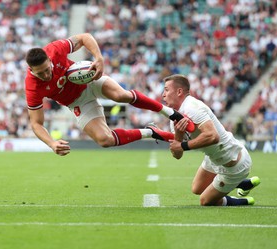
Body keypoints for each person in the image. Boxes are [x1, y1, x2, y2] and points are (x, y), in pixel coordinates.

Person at [24, 33, 194, 156]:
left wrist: (98, 58)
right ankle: (151, 132)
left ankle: (171, 113)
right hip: (77, 102)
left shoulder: (54, 50)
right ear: (31, 70)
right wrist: (52, 143)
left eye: (47, 70)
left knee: (121, 96)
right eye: (40, 74)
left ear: (49, 59)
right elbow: (36, 123)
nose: (46, 75)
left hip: (88, 80)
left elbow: (84, 37)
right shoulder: (32, 86)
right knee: (105, 140)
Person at [158, 74, 260, 206]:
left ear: (179, 92)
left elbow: (212, 136)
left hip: (234, 165)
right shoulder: (175, 118)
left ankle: (242, 201)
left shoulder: (192, 107)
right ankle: (243, 184)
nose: (163, 95)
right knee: (197, 189)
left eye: (166, 90)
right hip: (214, 157)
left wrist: (184, 145)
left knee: (205, 201)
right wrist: (178, 134)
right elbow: (177, 154)